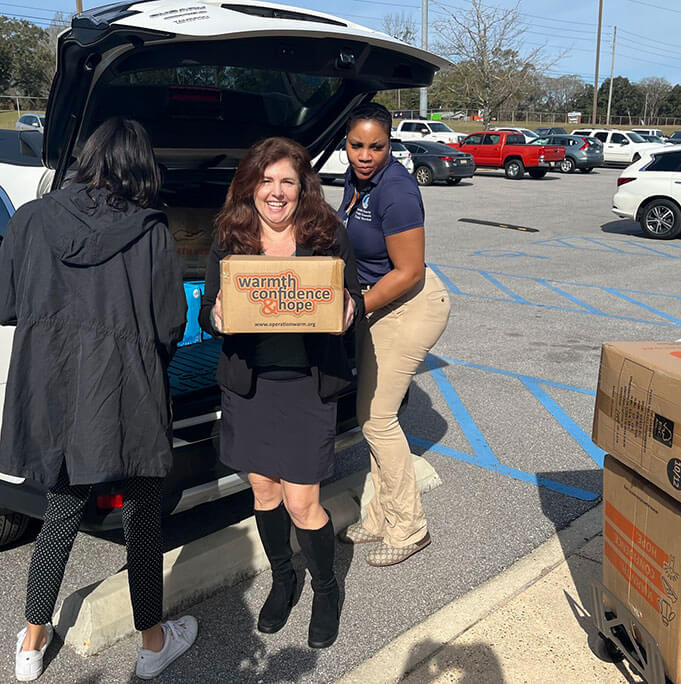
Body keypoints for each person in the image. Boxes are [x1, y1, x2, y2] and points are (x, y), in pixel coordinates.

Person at [0, 118, 195, 682]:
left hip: (55, 387)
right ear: (142, 168)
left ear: (87, 158)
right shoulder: (152, 232)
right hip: (128, 391)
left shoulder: (31, 218)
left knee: (61, 508)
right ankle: (152, 643)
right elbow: (170, 325)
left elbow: (6, 304)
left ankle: (32, 643)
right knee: (142, 518)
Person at [199, 137, 361, 649]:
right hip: (251, 387)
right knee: (264, 492)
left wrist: (348, 309)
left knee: (302, 502)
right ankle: (283, 578)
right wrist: (216, 316)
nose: (276, 192)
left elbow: (353, 295)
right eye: (266, 180)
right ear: (250, 186)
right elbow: (208, 306)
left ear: (302, 186)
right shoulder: (232, 236)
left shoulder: (327, 233)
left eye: (287, 181)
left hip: (307, 387)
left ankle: (326, 588)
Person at [337, 103, 451, 567]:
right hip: (377, 303)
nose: (365, 155)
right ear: (346, 143)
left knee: (378, 420)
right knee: (369, 416)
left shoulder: (396, 190)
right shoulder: (357, 180)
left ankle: (409, 527)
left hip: (409, 305)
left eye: (376, 147)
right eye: (356, 145)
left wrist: (353, 309)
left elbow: (408, 271)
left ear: (390, 144)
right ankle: (380, 516)